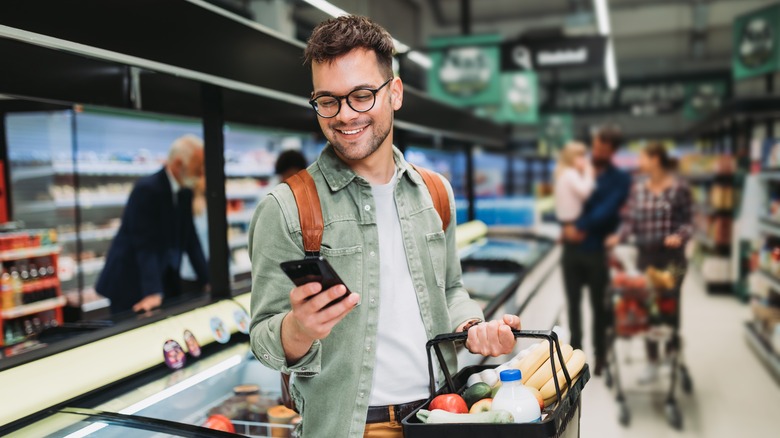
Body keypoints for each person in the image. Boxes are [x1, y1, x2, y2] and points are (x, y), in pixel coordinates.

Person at [248, 15, 521, 438]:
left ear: (394, 93)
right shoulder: (287, 208)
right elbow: (263, 339)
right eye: (327, 101)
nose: (344, 115)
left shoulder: (435, 192)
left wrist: (473, 328)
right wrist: (298, 329)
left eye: (361, 95)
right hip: (350, 428)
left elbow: (450, 290)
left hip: (440, 416)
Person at [607, 142, 692, 383]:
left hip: (672, 258)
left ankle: (671, 354)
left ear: (655, 159)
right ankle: (653, 361)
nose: (639, 162)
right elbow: (630, 222)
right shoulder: (639, 189)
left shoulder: (679, 188)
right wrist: (617, 237)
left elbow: (688, 222)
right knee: (647, 307)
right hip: (647, 257)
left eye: (642, 157)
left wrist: (680, 236)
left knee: (669, 306)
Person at [96, 135, 209, 315]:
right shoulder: (147, 189)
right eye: (198, 168)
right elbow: (144, 244)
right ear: (179, 164)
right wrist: (153, 291)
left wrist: (207, 280)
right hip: (132, 281)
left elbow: (190, 239)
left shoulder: (185, 192)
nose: (202, 174)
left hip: (163, 279)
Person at [561, 125, 631, 376]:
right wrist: (565, 225)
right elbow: (566, 198)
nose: (597, 151)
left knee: (599, 306)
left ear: (612, 151)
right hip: (571, 250)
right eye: (596, 146)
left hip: (596, 251)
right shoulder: (579, 169)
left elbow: (608, 209)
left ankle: (601, 354)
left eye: (603, 148)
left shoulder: (620, 179)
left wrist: (579, 226)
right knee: (573, 305)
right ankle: (575, 356)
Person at [554, 141, 595, 224]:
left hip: (566, 219)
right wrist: (589, 173)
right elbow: (585, 192)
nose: (586, 160)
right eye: (581, 157)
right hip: (572, 220)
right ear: (571, 158)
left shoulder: (564, 173)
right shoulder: (571, 173)